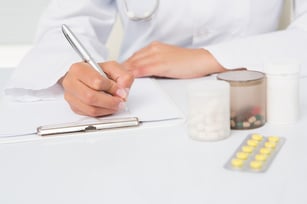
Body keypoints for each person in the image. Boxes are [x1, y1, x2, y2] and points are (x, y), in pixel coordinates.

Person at [6, 0, 307, 117]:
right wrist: (71, 70)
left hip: (249, 99)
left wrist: (209, 57)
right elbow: (67, 24)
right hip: (138, 102)